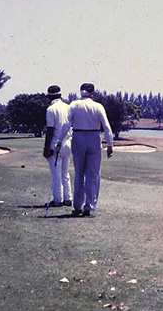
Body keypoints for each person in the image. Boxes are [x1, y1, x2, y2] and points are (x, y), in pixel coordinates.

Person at [56, 82, 113, 217]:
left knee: (79, 173)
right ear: (92, 93)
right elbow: (106, 126)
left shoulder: (74, 105)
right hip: (94, 137)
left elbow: (66, 124)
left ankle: (77, 206)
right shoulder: (98, 106)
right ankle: (89, 206)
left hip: (78, 137)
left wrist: (59, 141)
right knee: (93, 174)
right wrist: (110, 144)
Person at [42, 85, 72, 208]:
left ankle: (58, 200)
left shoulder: (51, 109)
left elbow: (50, 129)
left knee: (56, 174)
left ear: (50, 96)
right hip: (68, 142)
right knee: (65, 172)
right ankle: (68, 198)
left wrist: (46, 147)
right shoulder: (68, 107)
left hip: (55, 143)